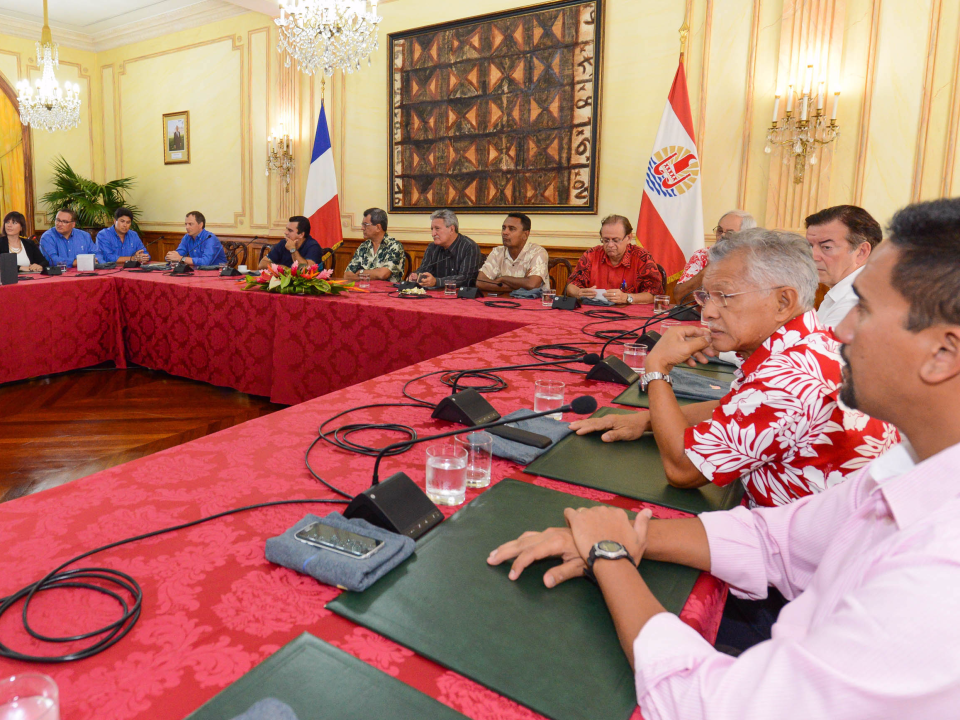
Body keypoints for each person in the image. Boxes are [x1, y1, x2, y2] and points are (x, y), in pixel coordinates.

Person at [489, 197, 960, 719]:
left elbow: (711, 707)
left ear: (943, 353)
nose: (842, 329)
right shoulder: (906, 472)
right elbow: (775, 538)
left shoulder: (941, 574)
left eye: (865, 310)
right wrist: (624, 531)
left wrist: (611, 556)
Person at [569, 228, 898, 508]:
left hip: (812, 560)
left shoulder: (786, 378)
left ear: (783, 302)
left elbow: (683, 470)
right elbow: (740, 407)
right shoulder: (812, 339)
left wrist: (657, 368)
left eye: (725, 297)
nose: (708, 312)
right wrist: (645, 420)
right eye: (706, 296)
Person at [805, 205, 882, 328]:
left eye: (826, 247)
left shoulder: (855, 302)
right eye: (810, 246)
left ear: (861, 252)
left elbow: (822, 347)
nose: (813, 256)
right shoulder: (843, 291)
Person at [565, 215, 663, 305]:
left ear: (628, 238)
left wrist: (627, 297)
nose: (610, 245)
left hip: (630, 316)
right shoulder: (591, 255)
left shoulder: (642, 257)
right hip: (592, 312)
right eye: (606, 240)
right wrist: (578, 292)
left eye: (616, 240)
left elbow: (654, 295)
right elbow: (571, 285)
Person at [673, 210, 756, 303]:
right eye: (720, 231)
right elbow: (679, 297)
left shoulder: (757, 260)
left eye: (730, 233)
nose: (721, 236)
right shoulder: (702, 255)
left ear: (746, 236)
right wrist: (709, 268)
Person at [475, 213, 550, 294]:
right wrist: (520, 285)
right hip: (502, 302)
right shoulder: (497, 252)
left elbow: (532, 284)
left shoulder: (537, 253)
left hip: (532, 304)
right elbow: (480, 282)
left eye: (511, 229)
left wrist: (503, 279)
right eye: (504, 228)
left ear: (525, 235)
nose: (505, 232)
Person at [407, 209, 482, 289]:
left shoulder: (469, 247)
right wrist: (416, 276)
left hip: (461, 297)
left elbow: (465, 279)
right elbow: (424, 269)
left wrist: (436, 282)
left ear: (451, 229)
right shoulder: (432, 247)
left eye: (437, 229)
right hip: (434, 295)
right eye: (432, 229)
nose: (433, 234)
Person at [344, 208, 405, 282]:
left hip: (387, 292)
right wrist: (369, 275)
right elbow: (347, 275)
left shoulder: (394, 246)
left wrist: (361, 272)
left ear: (378, 227)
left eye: (365, 225)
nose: (362, 228)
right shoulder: (364, 246)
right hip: (364, 290)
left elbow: (382, 274)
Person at [259, 216, 326, 270]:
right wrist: (282, 268)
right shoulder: (283, 243)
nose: (285, 232)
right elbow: (262, 264)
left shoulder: (313, 246)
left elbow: (305, 270)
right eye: (286, 229)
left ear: (301, 235)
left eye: (290, 230)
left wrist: (293, 250)